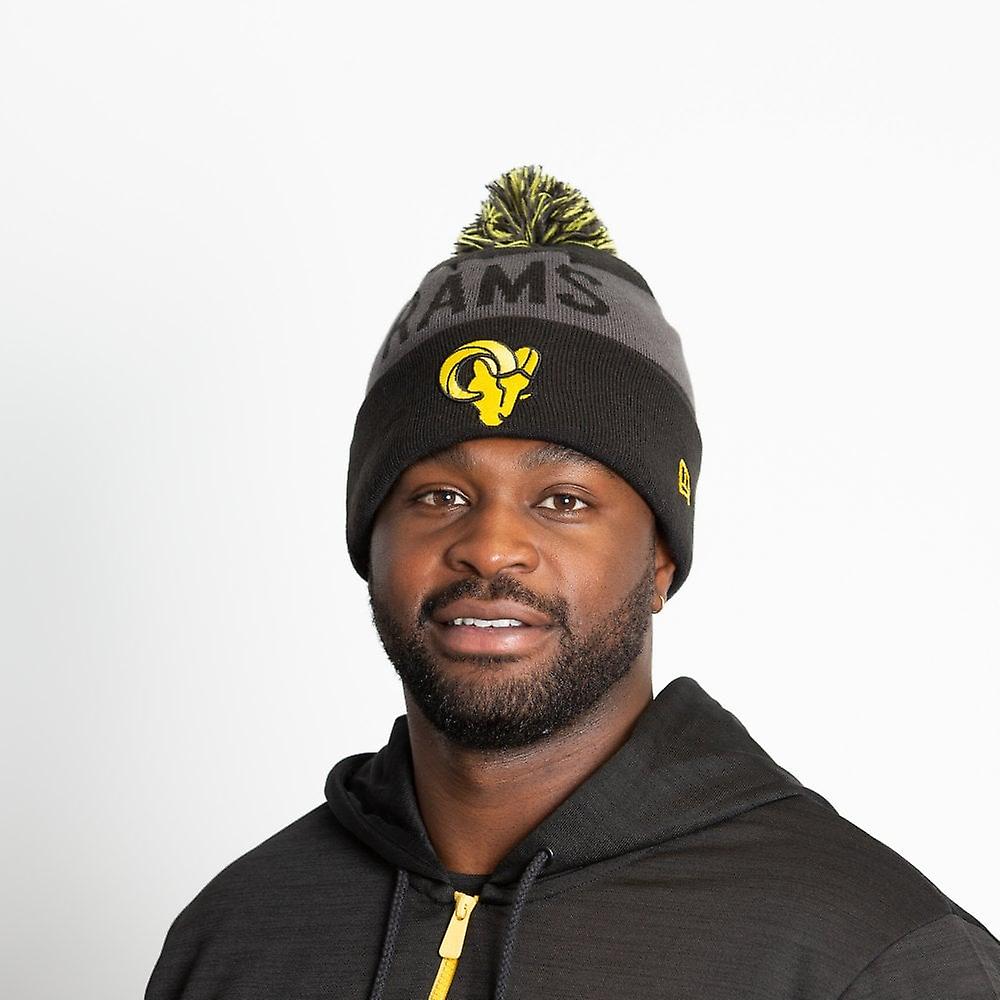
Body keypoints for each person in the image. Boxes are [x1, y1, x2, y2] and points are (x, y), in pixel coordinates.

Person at [144, 166, 1000, 1000]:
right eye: (439, 496)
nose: (491, 548)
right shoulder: (239, 930)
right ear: (370, 540)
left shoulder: (875, 957)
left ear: (660, 559)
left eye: (563, 500)